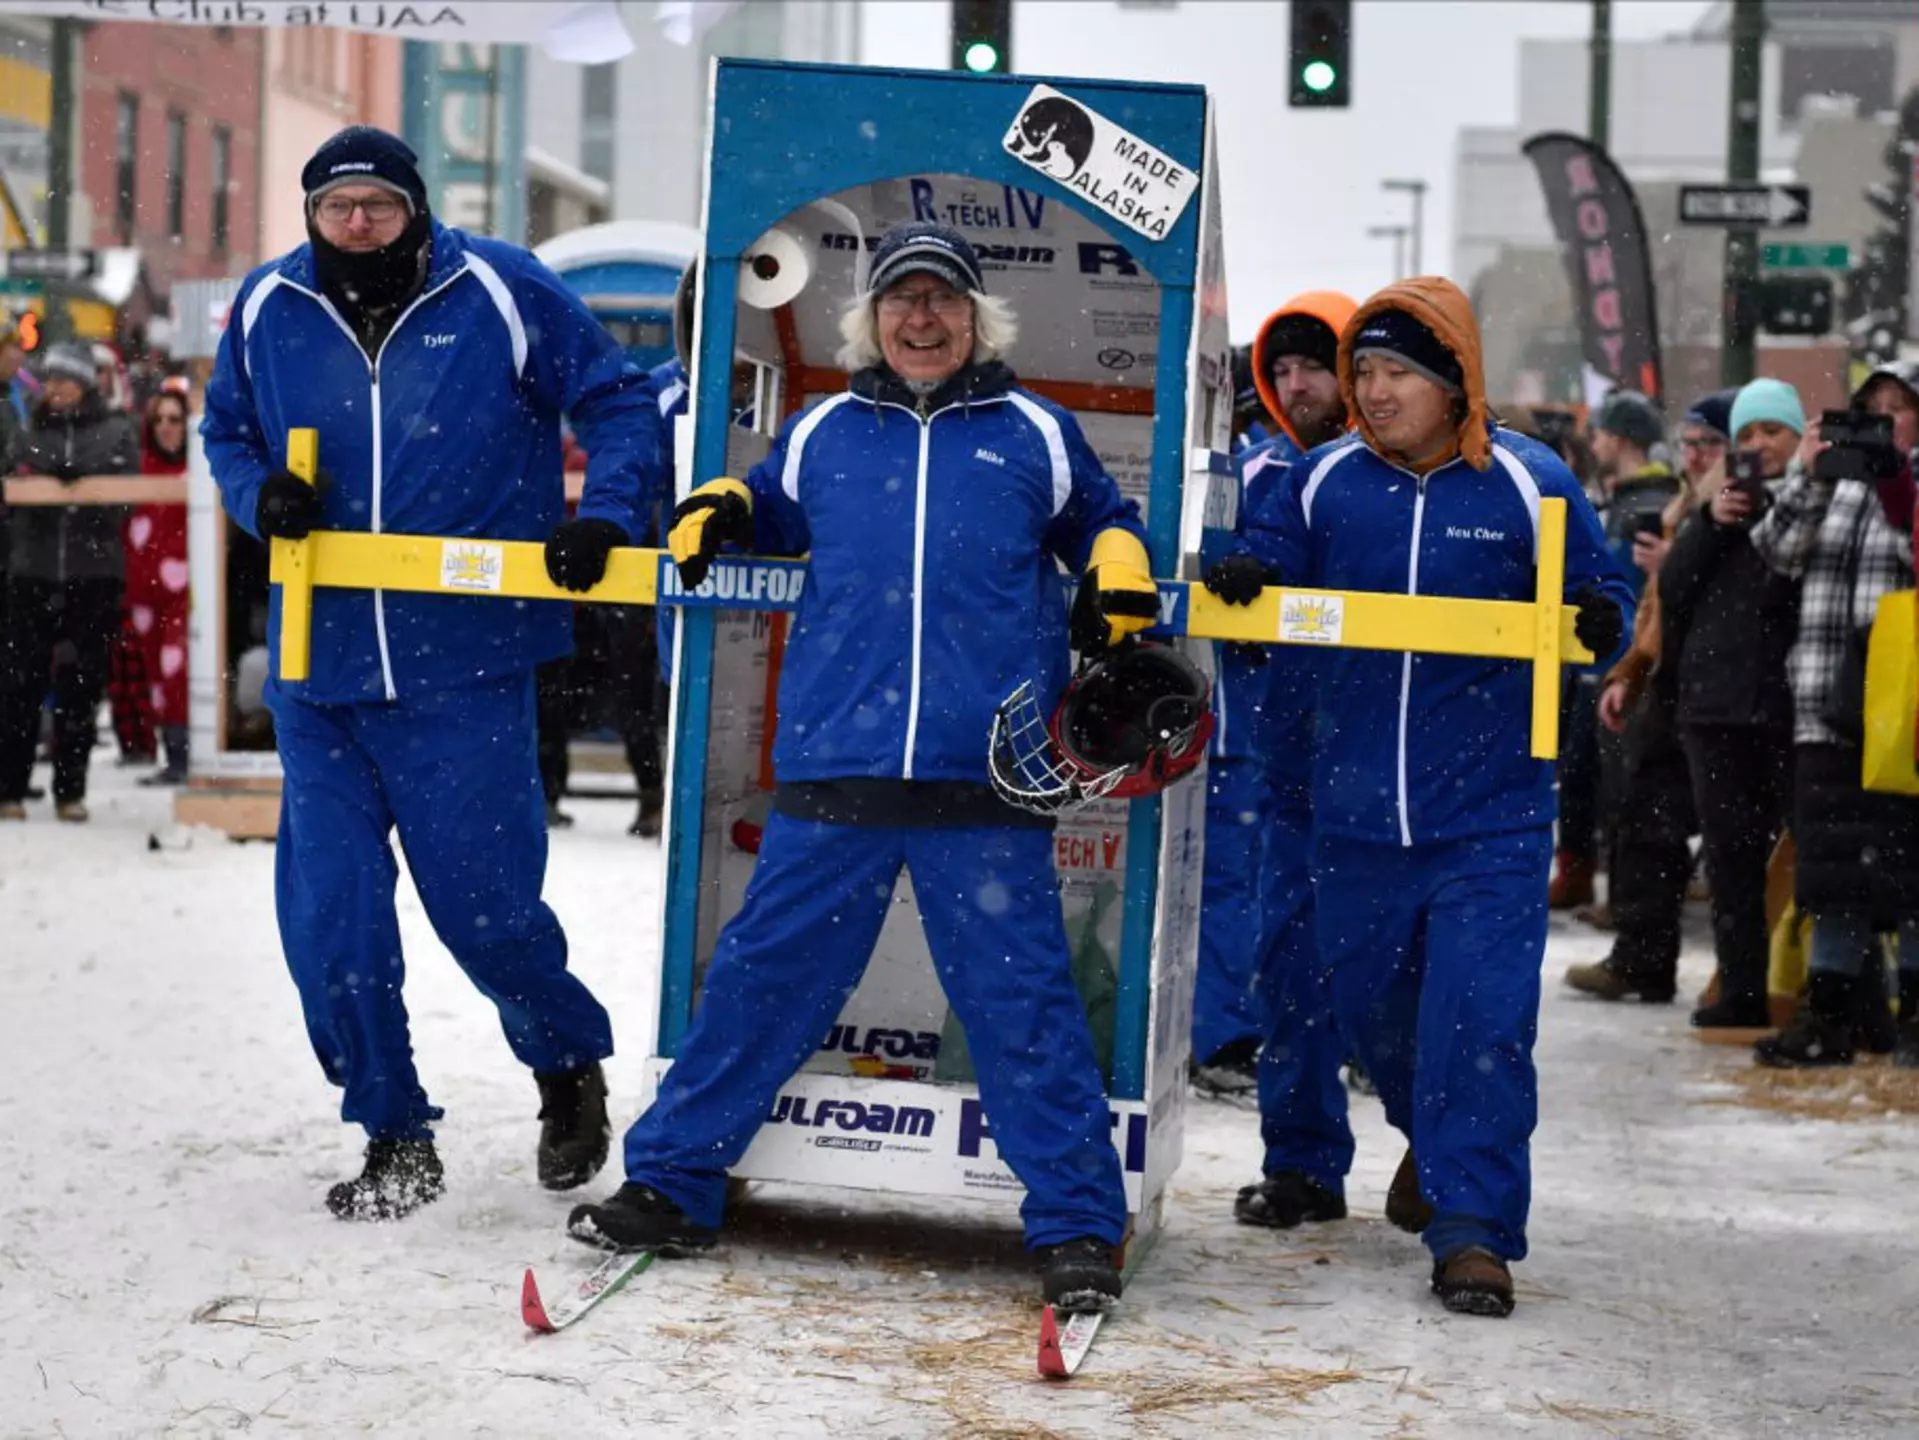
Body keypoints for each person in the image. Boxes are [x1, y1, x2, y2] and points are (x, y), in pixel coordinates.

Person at [568, 222, 1155, 1314]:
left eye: (939, 300)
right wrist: (722, 504)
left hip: (984, 778)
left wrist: (1117, 564)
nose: (919, 318)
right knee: (759, 986)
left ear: (977, 317)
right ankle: (671, 1182)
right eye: (899, 301)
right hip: (835, 767)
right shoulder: (822, 428)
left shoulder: (1032, 431)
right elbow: (770, 507)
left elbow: (1102, 522)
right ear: (870, 319)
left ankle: (1077, 1226)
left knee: (1020, 1007)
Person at [201, 126, 662, 1220]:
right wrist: (254, 494)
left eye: (378, 204)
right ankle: (393, 1130)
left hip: (467, 665)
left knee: (486, 912)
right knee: (334, 917)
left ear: (414, 206)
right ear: (311, 214)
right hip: (318, 672)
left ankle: (563, 1064)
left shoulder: (499, 285)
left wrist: (603, 511)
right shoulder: (270, 305)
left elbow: (617, 397)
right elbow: (226, 432)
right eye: (336, 206)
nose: (357, 223)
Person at [1207, 277, 1632, 1317]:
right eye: (1363, 372)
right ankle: (1430, 1138)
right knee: (1374, 1016)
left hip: (1488, 815)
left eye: (1395, 371)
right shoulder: (1319, 483)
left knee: (1479, 1022)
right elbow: (1262, 562)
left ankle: (1471, 1231)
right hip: (1350, 815)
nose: (1373, 390)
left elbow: (1608, 596)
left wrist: (1592, 620)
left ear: (1452, 382)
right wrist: (1241, 579)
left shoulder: (1529, 485)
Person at [1207, 291, 1365, 1235]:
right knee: (1291, 970)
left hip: (1411, 773)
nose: (1298, 385)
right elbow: (1233, 566)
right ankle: (1303, 1163)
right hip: (1290, 762)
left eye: (1318, 365)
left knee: (1407, 988)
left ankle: (1449, 1171)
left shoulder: (1416, 474)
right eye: (1285, 368)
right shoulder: (1258, 469)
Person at [1750, 362, 1919, 1066]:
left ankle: (1910, 1013)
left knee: (1909, 876)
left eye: (1897, 410)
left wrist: (1893, 480)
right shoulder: (1829, 479)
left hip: (1902, 714)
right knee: (1831, 872)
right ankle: (1827, 1014)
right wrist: (1813, 473)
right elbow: (1774, 551)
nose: (1883, 422)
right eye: (1868, 410)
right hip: (1824, 703)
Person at [1567, 389, 1734, 1003]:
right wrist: (1629, 674)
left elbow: (1736, 590)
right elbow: (1655, 612)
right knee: (1644, 818)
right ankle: (1642, 956)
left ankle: (1737, 980)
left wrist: (1676, 563)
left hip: (1720, 686)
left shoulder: (1730, 501)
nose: (1695, 455)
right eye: (1689, 443)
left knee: (1725, 840)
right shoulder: (1688, 501)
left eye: (1708, 444)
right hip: (1670, 676)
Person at [1657, 379, 1803, 1031]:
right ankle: (1739, 988)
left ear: (1797, 438)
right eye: (1745, 435)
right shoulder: (1711, 511)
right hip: (1715, 709)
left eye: (1771, 432)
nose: (1758, 446)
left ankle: (1813, 990)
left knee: (1812, 859)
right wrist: (1710, 526)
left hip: (1792, 707)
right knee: (1730, 859)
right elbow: (1673, 587)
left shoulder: (1813, 501)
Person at [0, 342, 140, 823]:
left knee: (81, 685)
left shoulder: (116, 434)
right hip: (31, 572)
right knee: (20, 684)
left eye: (66, 379)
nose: (57, 388)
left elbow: (128, 502)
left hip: (92, 575)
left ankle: (69, 790)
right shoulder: (25, 433)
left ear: (84, 385)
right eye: (52, 379)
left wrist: (89, 488)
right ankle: (10, 788)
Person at [1551, 390, 1678, 916]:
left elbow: (1635, 589)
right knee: (1585, 775)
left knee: (1616, 785)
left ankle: (1612, 890)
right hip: (1599, 664)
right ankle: (1584, 873)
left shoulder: (1647, 505)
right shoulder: (1627, 499)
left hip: (1621, 666)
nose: (1593, 442)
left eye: (1601, 433)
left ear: (1621, 440)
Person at [123, 389, 194, 784]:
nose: (167, 428)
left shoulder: (200, 471)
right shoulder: (140, 471)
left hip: (187, 594)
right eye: (160, 420)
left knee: (179, 673)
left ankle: (186, 756)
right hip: (144, 595)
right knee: (157, 677)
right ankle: (173, 756)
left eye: (174, 419)